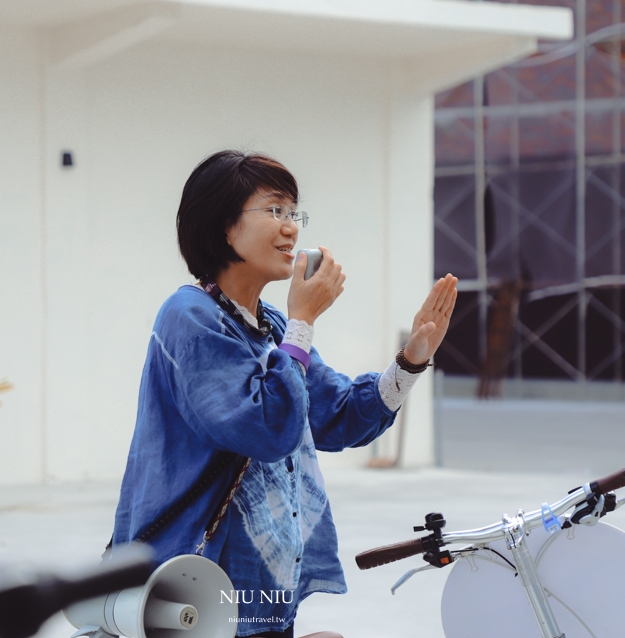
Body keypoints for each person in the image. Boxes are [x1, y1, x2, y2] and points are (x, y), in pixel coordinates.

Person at [111, 150, 458, 638]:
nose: (291, 228)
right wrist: (303, 322)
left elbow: (338, 415)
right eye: (273, 210)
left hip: (257, 594)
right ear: (224, 226)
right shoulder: (189, 316)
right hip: (192, 585)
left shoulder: (270, 325)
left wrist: (412, 360)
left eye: (294, 213)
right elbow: (266, 427)